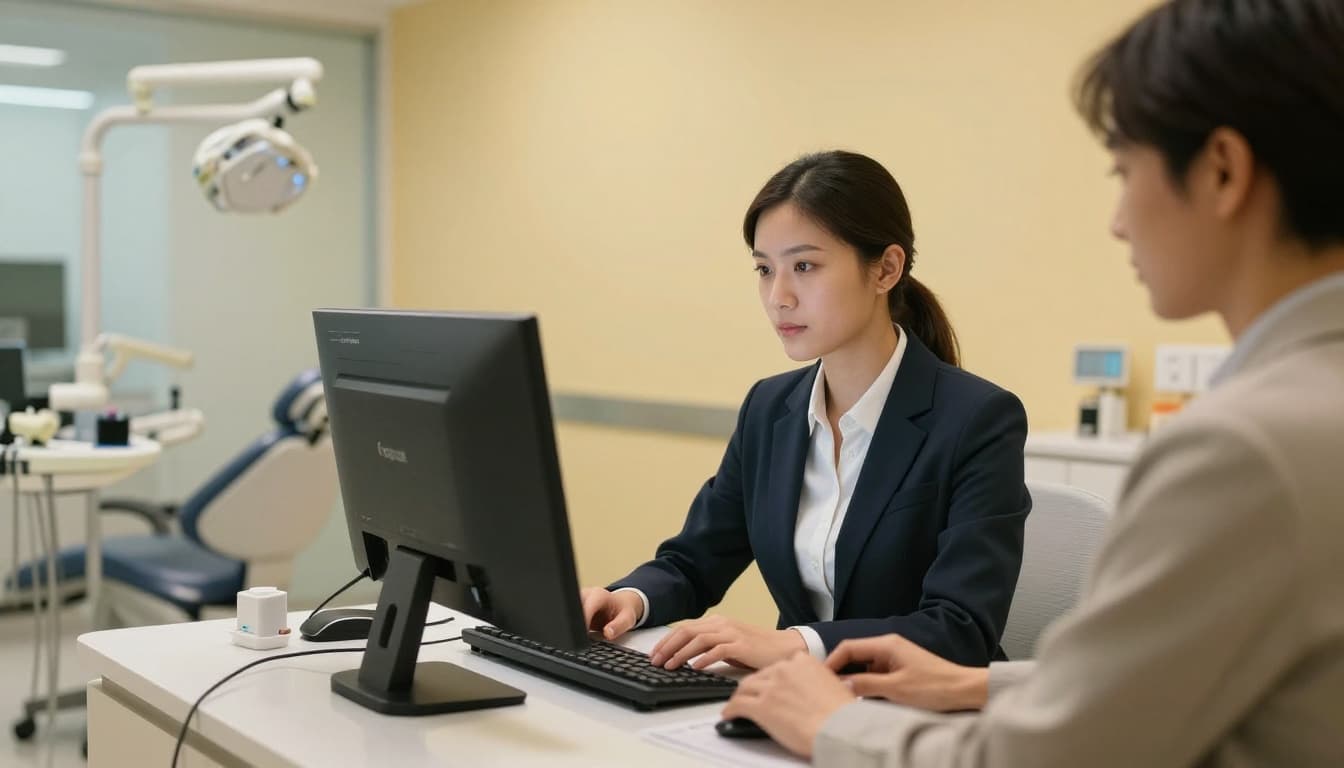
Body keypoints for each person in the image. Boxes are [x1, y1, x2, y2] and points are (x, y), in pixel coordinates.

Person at [720, 2, 1344, 765]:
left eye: (1123, 171)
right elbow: (1145, 689)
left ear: (1221, 170)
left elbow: (1051, 756)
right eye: (765, 270)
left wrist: (828, 723)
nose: (1117, 221)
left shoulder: (1242, 451)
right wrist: (976, 688)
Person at [581, 150, 1032, 671]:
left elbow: (960, 628)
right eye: (764, 269)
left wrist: (797, 643)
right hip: (794, 702)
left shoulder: (978, 419)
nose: (779, 296)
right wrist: (631, 601)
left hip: (918, 715)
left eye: (804, 266)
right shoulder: (769, 409)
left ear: (886, 269)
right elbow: (693, 561)